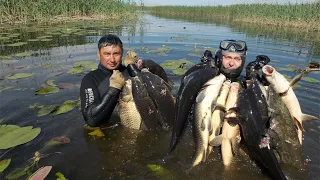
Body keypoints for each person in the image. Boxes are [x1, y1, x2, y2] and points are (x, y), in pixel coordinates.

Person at [80, 34, 140, 127]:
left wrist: (132, 67)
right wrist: (114, 88)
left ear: (122, 53)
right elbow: (90, 119)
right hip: (110, 132)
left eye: (116, 54)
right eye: (107, 54)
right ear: (99, 54)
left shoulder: (129, 72)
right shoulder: (90, 79)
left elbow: (152, 93)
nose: (112, 59)